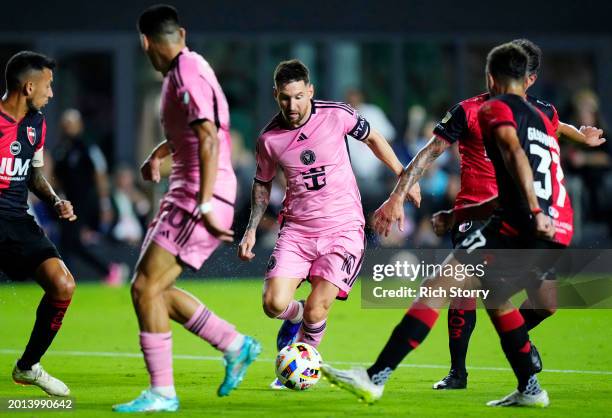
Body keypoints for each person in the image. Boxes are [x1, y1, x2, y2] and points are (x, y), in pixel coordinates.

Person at [323, 42, 573, 408]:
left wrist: (532, 211)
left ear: (491, 78)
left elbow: (516, 161)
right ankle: (530, 388)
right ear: (527, 80)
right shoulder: (542, 118)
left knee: (438, 286)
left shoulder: (493, 109)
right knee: (499, 299)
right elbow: (516, 185)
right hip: (559, 226)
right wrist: (459, 216)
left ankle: (375, 377)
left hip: (521, 221)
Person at [372, 38, 603, 390]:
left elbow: (556, 128)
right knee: (460, 289)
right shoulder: (469, 110)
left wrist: (580, 137)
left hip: (523, 216)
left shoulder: (539, 112)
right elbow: (430, 152)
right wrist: (398, 194)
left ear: (529, 80)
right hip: (476, 213)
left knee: (545, 304)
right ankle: (457, 372)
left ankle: (520, 349)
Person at [237, 59, 420, 389]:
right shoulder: (269, 138)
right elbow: (262, 183)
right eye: (284, 98)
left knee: (318, 308)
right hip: (297, 230)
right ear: (275, 95)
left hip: (344, 228)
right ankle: (293, 317)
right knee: (273, 304)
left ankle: (301, 365)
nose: (291, 106)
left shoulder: (337, 114)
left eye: (297, 97)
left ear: (310, 91)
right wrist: (251, 228)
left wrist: (402, 176)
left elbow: (374, 138)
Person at [112, 5, 260, 413]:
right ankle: (235, 344)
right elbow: (193, 133)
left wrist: (206, 203)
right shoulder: (184, 71)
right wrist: (158, 154)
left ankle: (163, 392)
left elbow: (210, 139)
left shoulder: (186, 73)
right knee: (153, 288)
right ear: (181, 32)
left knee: (144, 288)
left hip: (197, 196)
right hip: (189, 193)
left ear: (145, 41)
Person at [1, 51, 77, 396]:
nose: (52, 92)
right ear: (28, 87)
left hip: (17, 221)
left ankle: (28, 366)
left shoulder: (36, 123)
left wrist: (55, 200)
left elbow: (33, 173)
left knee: (63, 284)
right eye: (48, 85)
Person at [54, 108, 122, 283]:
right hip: (67, 202)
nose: (67, 128)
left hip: (86, 201)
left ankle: (108, 269)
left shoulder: (88, 147)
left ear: (79, 125)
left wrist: (105, 203)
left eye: (71, 124)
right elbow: (57, 179)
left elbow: (100, 174)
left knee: (71, 240)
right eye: (65, 124)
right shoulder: (61, 149)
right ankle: (67, 278)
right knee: (68, 241)